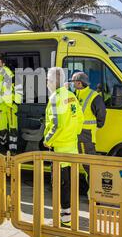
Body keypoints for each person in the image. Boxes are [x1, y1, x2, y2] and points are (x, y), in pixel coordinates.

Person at [44, 67, 83, 228]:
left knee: (60, 187)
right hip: (72, 147)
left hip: (59, 149)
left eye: (48, 79)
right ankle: (69, 217)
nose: (47, 82)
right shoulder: (71, 95)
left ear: (53, 81)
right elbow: (79, 119)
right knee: (69, 185)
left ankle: (64, 220)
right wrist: (71, 135)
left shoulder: (55, 97)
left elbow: (56, 124)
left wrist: (47, 140)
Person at [0, 52, 22, 154]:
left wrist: (16, 102)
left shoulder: (10, 73)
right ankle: (4, 147)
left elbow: (18, 88)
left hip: (11, 105)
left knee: (13, 130)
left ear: (3, 64)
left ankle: (13, 151)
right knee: (2, 130)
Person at [71, 72, 106, 155]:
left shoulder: (94, 96)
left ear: (79, 83)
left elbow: (101, 113)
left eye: (73, 82)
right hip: (75, 132)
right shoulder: (74, 95)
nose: (71, 84)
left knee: (87, 160)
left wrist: (99, 125)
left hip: (86, 133)